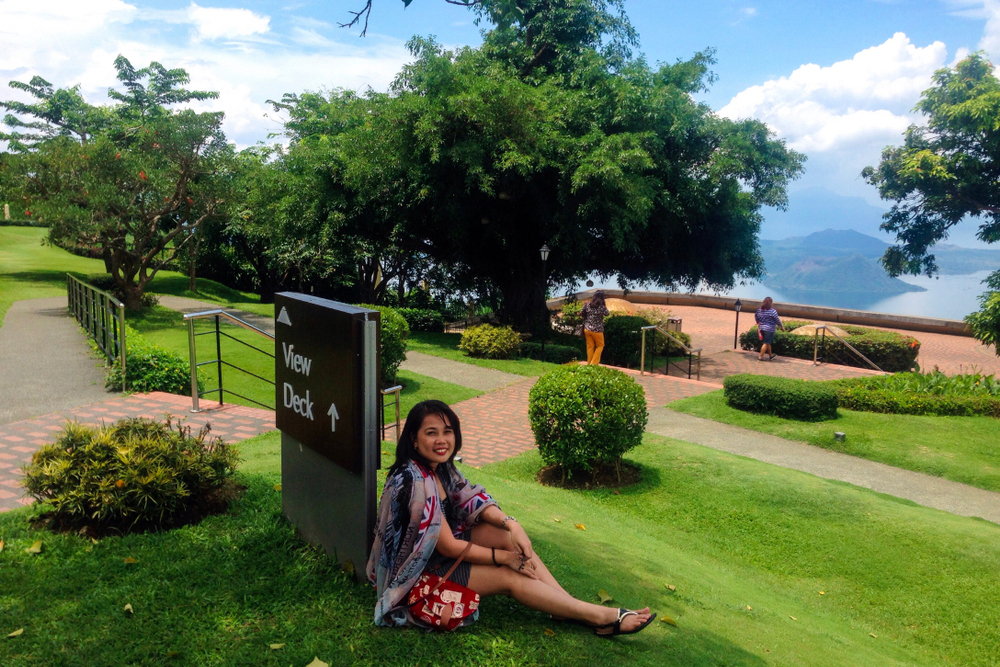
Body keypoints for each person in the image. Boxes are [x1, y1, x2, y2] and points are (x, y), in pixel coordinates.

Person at [367, 400, 655, 636]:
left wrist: (511, 524)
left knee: (506, 538)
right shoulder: (414, 481)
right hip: (420, 572)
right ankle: (598, 616)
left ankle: (564, 607)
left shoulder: (440, 469)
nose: (442, 440)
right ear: (414, 441)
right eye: (431, 433)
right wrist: (503, 558)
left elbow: (471, 498)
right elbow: (447, 548)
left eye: (447, 431)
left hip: (439, 554)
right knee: (509, 575)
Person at [580, 291, 610, 365]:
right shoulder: (602, 307)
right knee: (600, 346)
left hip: (587, 329)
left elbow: (581, 312)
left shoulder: (587, 304)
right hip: (598, 330)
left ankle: (589, 363)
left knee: (590, 347)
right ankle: (593, 364)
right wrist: (604, 305)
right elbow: (607, 313)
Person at [755, 296, 784, 361]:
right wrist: (781, 327)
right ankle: (760, 357)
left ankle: (771, 355)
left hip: (761, 328)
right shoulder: (772, 311)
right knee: (766, 343)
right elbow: (777, 320)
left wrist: (758, 322)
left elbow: (756, 316)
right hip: (769, 329)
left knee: (768, 343)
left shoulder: (759, 310)